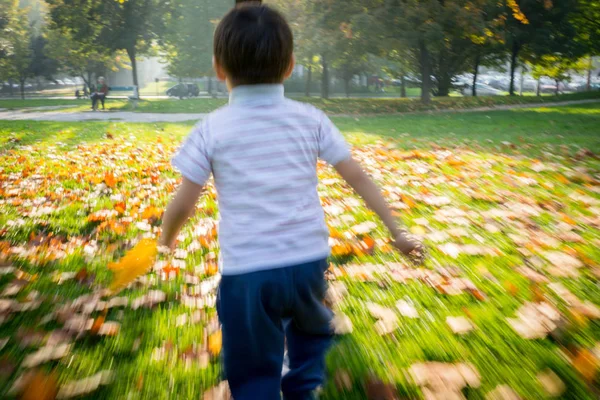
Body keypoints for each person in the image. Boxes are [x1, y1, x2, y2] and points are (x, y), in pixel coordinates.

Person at [158, 3, 425, 400]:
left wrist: (166, 239)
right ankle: (303, 387)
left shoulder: (210, 129)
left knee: (252, 370)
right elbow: (358, 177)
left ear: (218, 68)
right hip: (307, 263)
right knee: (309, 339)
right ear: (290, 66)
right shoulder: (311, 119)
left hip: (248, 273)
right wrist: (397, 231)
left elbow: (184, 202)